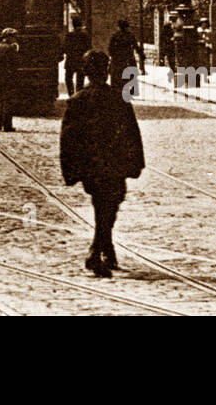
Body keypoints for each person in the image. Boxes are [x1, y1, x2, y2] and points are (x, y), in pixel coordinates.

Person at [60, 50, 145, 278]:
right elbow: (131, 134)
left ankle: (106, 248)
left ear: (86, 72)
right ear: (106, 71)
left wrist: (70, 170)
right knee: (110, 204)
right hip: (114, 164)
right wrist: (136, 163)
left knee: (102, 204)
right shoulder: (118, 99)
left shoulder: (77, 101)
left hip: (90, 166)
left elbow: (67, 139)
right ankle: (96, 250)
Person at [0, 28, 21, 132]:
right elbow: (15, 64)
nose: (15, 39)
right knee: (8, 102)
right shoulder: (10, 48)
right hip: (7, 78)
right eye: (13, 37)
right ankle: (7, 125)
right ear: (9, 37)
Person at [107, 19, 144, 96]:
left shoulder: (115, 35)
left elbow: (110, 48)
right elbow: (136, 46)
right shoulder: (130, 35)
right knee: (132, 72)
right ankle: (133, 89)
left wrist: (112, 55)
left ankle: (115, 89)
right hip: (128, 57)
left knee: (115, 73)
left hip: (118, 58)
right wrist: (141, 55)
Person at [63, 25, 90, 98]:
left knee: (68, 78)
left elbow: (65, 48)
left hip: (70, 60)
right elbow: (88, 48)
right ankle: (79, 94)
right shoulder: (84, 36)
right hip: (80, 60)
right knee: (80, 79)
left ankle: (71, 94)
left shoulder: (69, 35)